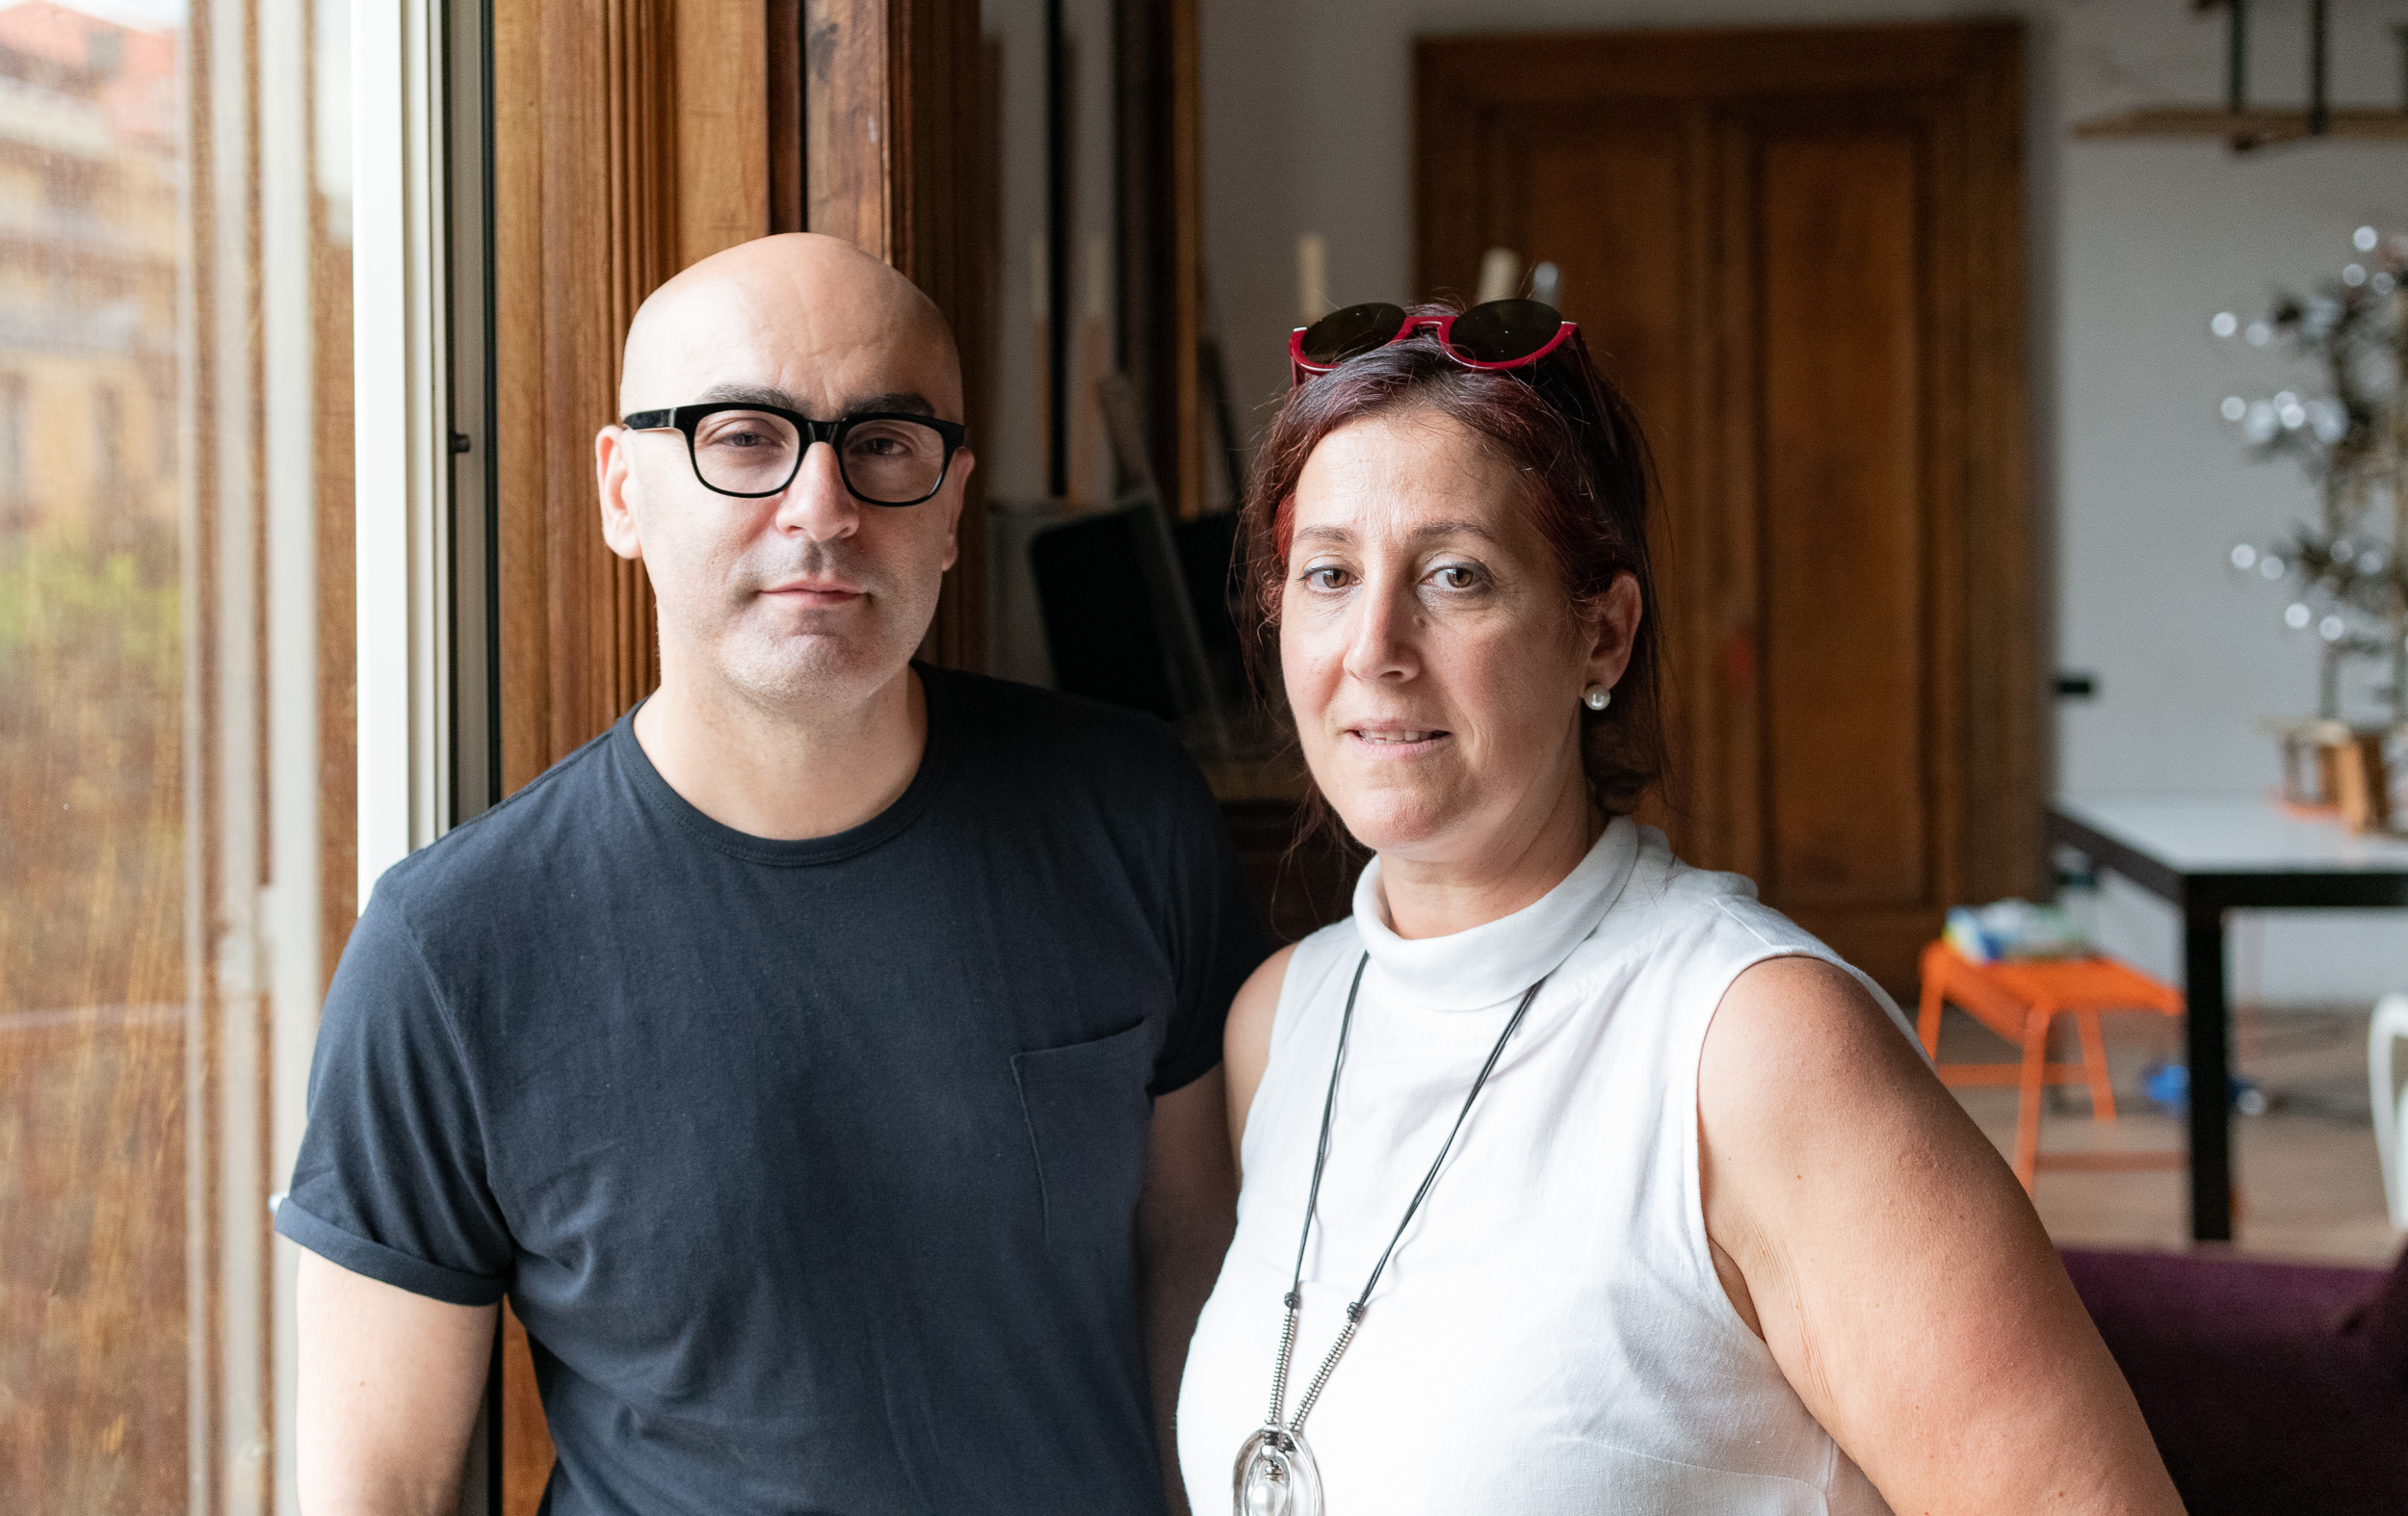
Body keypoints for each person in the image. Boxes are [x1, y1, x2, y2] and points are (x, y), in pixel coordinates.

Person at [279, 234, 1268, 1516]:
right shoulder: (452, 946)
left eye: (884, 443)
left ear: (953, 505)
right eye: (743, 438)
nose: (821, 507)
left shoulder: (1129, 816)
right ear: (622, 490)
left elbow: (1204, 1280)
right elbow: (377, 1483)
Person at [1174, 301, 2183, 1516]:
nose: (1375, 645)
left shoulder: (1758, 1047)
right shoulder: (1278, 1023)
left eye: (1454, 575)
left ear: (1601, 634)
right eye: (1331, 574)